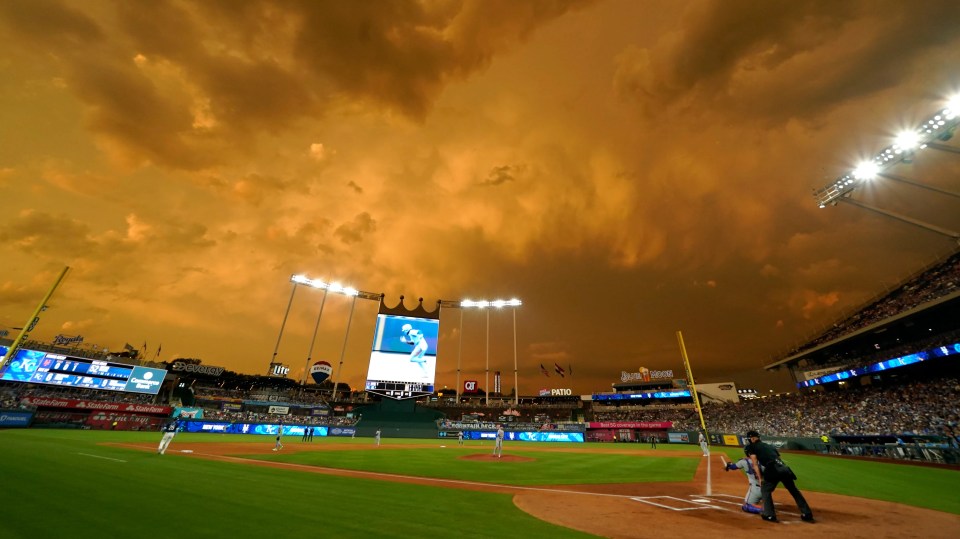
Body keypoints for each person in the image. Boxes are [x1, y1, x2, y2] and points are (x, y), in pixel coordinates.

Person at [744, 430, 814, 523]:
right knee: (794, 491)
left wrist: (760, 478)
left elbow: (755, 464)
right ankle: (807, 514)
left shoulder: (751, 447)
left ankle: (769, 514)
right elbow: (779, 459)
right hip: (784, 468)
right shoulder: (769, 446)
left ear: (752, 438)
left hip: (772, 469)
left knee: (765, 490)